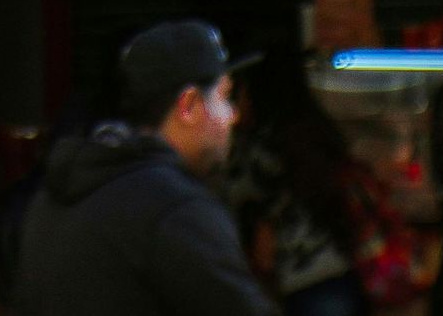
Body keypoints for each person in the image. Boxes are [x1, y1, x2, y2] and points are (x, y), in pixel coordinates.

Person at [15, 20, 273, 316]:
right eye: (225, 97)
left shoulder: (51, 199)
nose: (234, 116)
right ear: (188, 106)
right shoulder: (176, 208)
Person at [225, 48, 433, 315]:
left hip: (302, 278)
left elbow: (254, 219)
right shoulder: (315, 136)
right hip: (344, 272)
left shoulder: (259, 152)